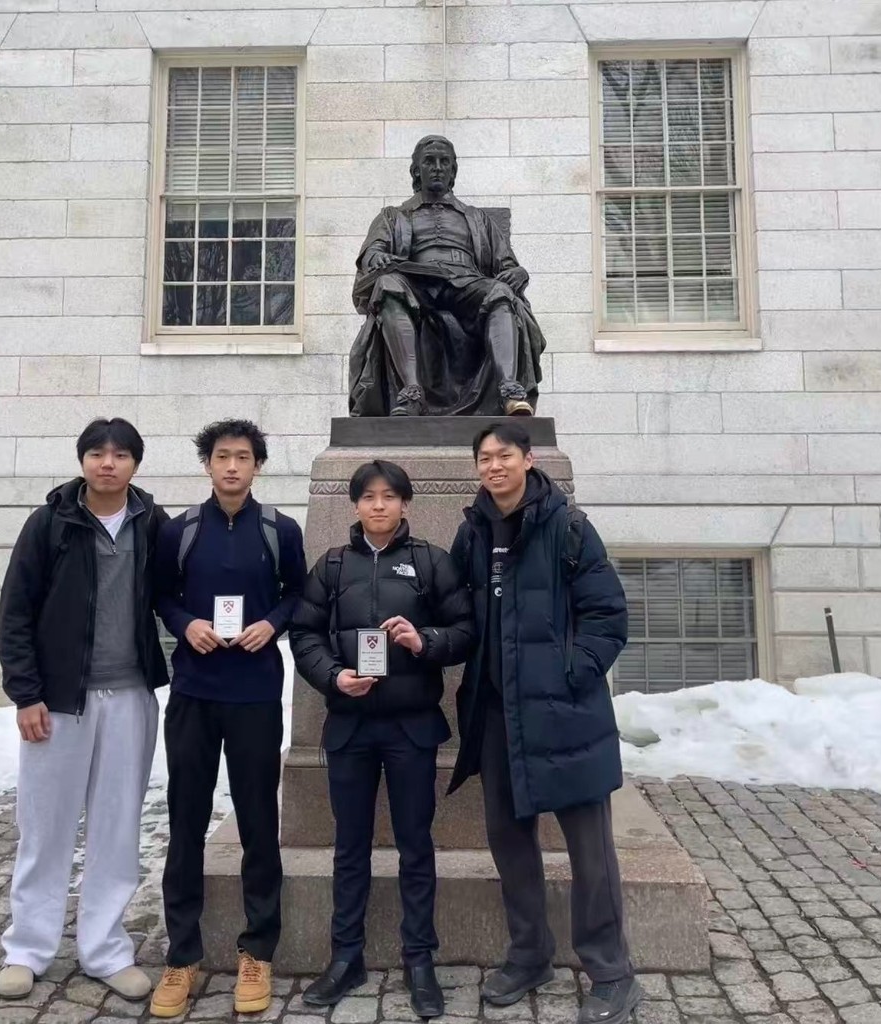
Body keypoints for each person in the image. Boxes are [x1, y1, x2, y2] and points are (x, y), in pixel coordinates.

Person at [447, 422, 642, 1024]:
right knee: (509, 842)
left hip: (565, 715)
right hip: (498, 718)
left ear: (528, 460)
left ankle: (611, 971)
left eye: (504, 454)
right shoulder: (472, 531)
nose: (494, 466)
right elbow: (460, 614)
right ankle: (530, 953)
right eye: (484, 457)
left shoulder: (569, 526)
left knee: (590, 851)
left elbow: (607, 615)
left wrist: (571, 675)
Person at [290, 460, 472, 1019]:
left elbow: (466, 631)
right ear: (354, 505)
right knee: (350, 846)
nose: (378, 506)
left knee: (416, 845)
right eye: (368, 497)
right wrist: (333, 676)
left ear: (405, 504)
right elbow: (305, 632)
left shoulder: (430, 562)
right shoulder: (333, 565)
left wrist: (426, 641)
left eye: (389, 496)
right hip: (349, 725)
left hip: (411, 726)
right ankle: (347, 956)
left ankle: (420, 958)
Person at [0, 418, 168, 1002]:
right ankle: (28, 948)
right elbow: (16, 611)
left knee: (117, 829)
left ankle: (104, 948)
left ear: (136, 465)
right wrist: (26, 693)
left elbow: (177, 592)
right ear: (83, 460)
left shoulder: (154, 523)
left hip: (131, 696)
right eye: (97, 453)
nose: (108, 464)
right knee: (45, 827)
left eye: (120, 455)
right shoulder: (50, 523)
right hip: (59, 702)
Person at [149, 419, 306, 1019]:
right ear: (207, 465)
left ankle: (257, 948)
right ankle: (182, 954)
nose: (232, 467)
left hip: (255, 694)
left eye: (243, 457)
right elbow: (161, 593)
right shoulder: (181, 531)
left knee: (260, 823)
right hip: (194, 690)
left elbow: (300, 590)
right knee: (186, 820)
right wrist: (185, 624)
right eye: (222, 457)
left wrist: (275, 622)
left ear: (258, 466)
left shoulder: (279, 530)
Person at [348, 134, 546, 417]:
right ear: (416, 171)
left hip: (467, 283)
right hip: (417, 283)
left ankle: (509, 391)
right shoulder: (394, 215)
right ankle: (412, 393)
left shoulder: (477, 218)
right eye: (429, 162)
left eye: (445, 162)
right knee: (387, 284)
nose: (437, 167)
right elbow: (372, 251)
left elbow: (507, 264)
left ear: (453, 171)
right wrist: (376, 256)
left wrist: (519, 272)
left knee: (501, 293)